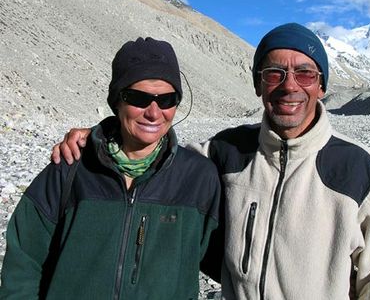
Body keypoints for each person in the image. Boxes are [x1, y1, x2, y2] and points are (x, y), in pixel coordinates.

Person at [50, 24, 370, 299]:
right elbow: (155, 152)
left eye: (305, 73)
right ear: (259, 84)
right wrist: (102, 137)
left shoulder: (358, 171)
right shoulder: (225, 152)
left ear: (321, 85)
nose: (290, 86)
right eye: (274, 73)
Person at [0, 37, 220, 299]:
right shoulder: (69, 167)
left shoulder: (199, 177)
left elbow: (231, 262)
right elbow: (23, 263)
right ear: (117, 101)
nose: (153, 112)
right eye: (138, 98)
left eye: (166, 99)